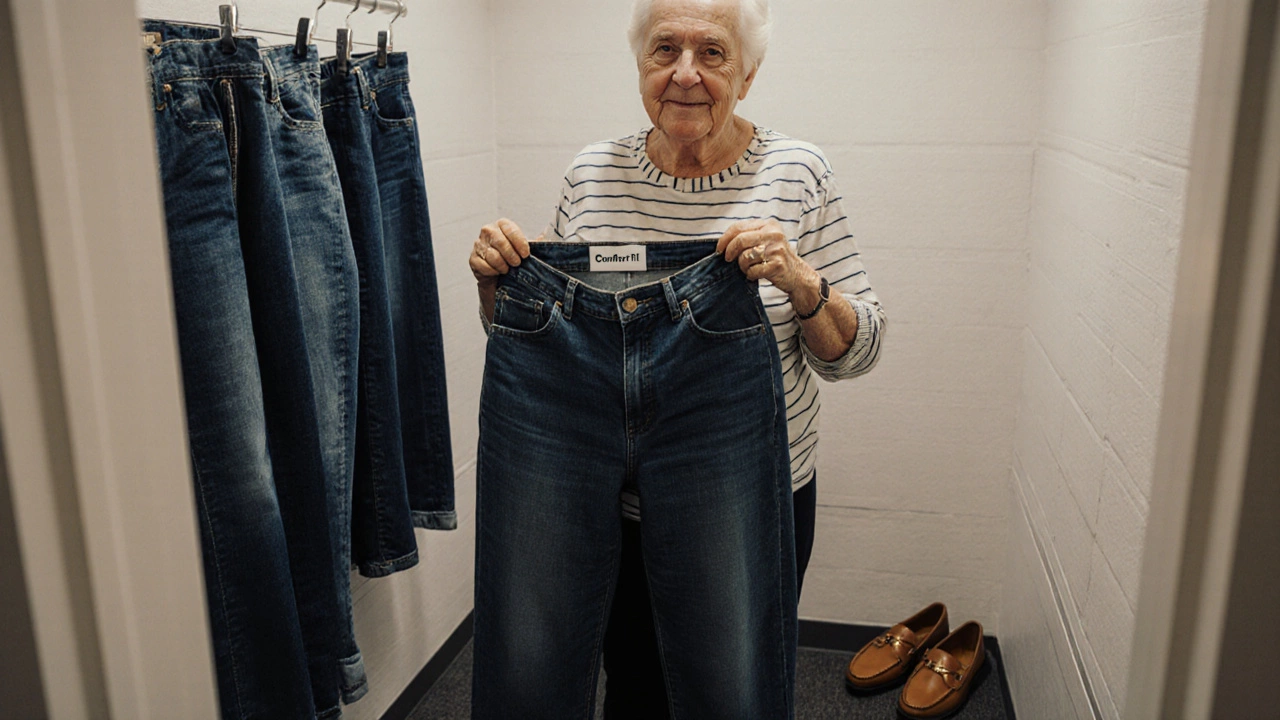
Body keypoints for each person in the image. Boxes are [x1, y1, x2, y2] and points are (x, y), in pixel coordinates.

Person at [469, 0, 886, 715]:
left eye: (712, 53)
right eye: (665, 50)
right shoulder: (592, 173)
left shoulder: (798, 172)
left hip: (754, 478)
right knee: (630, 677)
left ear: (748, 75)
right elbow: (557, 343)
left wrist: (799, 280)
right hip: (602, 488)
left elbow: (858, 350)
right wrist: (498, 287)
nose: (685, 74)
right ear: (640, 66)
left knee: (728, 677)